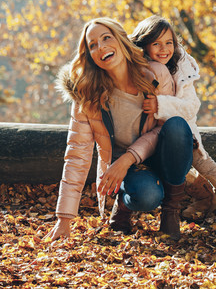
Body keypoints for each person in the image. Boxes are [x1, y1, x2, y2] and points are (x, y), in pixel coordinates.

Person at [47, 17, 194, 242]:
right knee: (147, 196)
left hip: (158, 154)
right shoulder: (87, 96)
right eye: (93, 44)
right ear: (89, 56)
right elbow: (76, 154)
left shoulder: (155, 74)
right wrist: (64, 219)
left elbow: (164, 126)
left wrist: (129, 157)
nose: (101, 46)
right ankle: (123, 205)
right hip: (124, 169)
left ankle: (171, 212)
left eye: (107, 38)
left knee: (177, 126)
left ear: (121, 40)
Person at [130, 15, 216, 229]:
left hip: (182, 131)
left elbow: (191, 106)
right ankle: (205, 198)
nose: (163, 49)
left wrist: (160, 105)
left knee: (205, 165)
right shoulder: (139, 69)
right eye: (156, 43)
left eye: (168, 43)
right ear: (144, 45)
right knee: (176, 171)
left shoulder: (180, 68)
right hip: (149, 135)